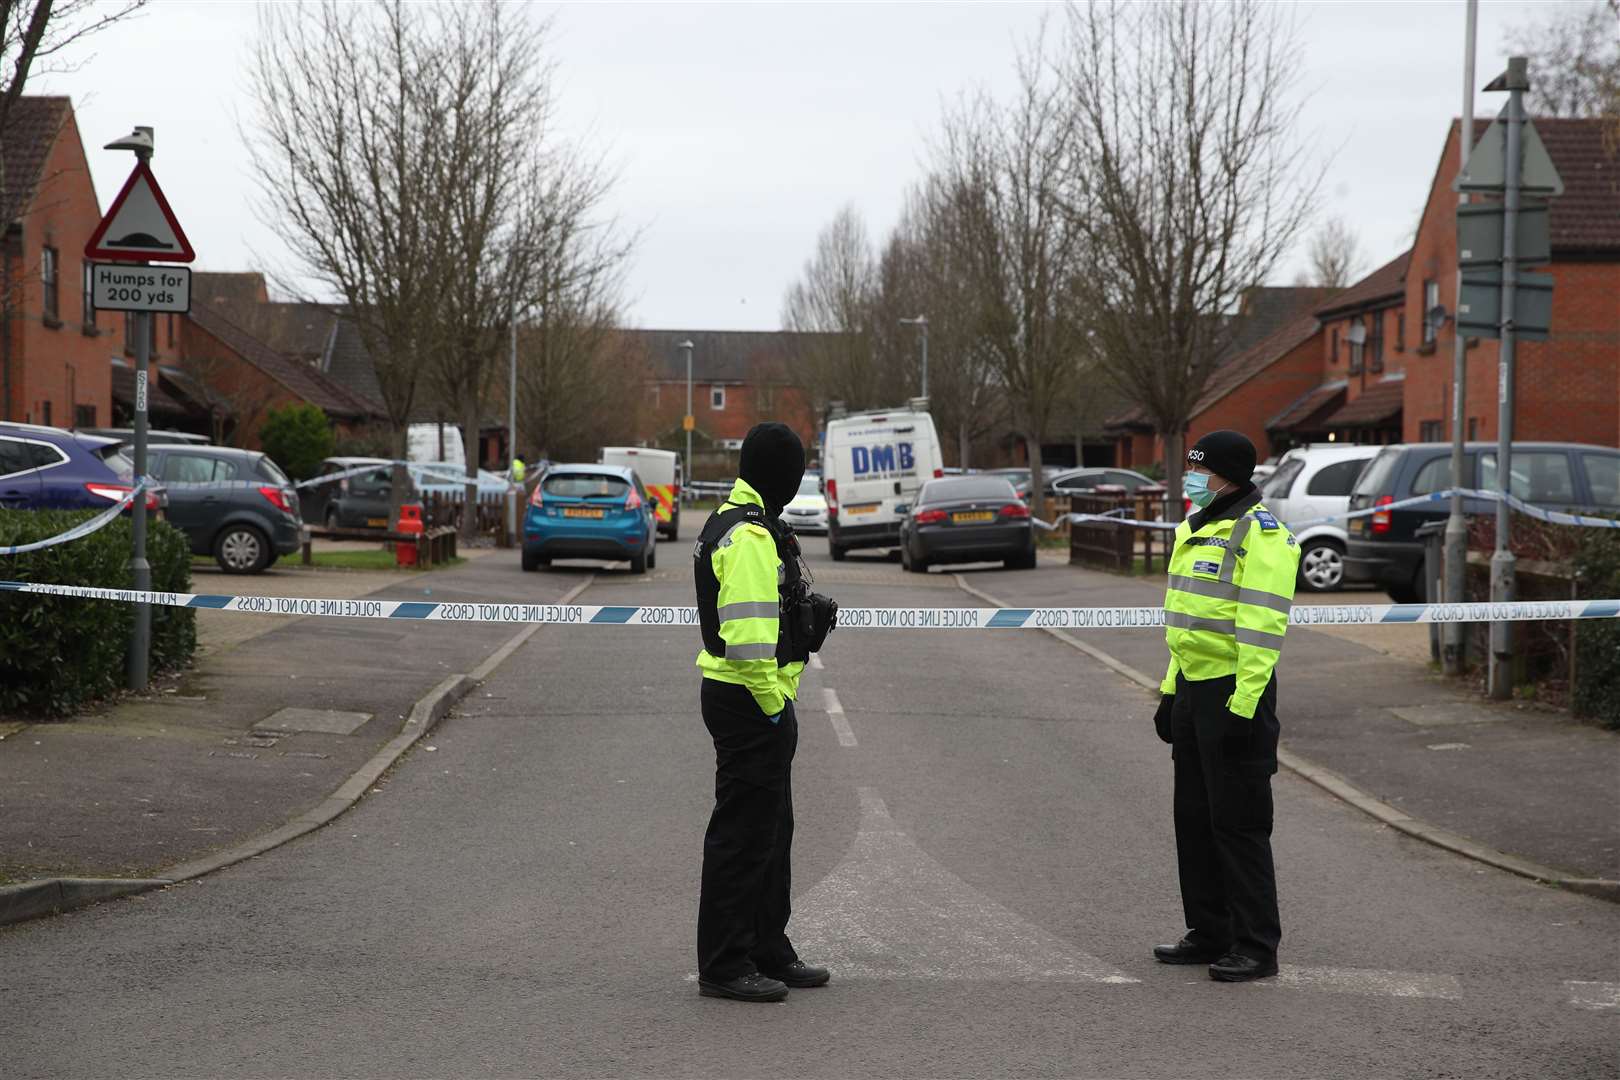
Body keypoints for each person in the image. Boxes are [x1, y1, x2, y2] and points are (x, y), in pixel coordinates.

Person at [693, 422, 835, 1003]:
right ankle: (725, 964)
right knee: (743, 838)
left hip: (756, 699)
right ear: (782, 474)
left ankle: (768, 948)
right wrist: (776, 707)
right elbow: (750, 643)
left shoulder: (753, 523)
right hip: (750, 701)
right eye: (796, 470)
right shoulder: (748, 537)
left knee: (772, 833)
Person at [1151, 430, 1300, 983]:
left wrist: (1243, 708)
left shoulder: (1260, 535)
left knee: (1239, 823)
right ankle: (1209, 930)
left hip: (1237, 691)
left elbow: (1262, 630)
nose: (1192, 480)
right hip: (1194, 687)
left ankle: (1257, 945)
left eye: (1200, 471)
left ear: (1228, 477)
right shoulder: (1195, 529)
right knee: (1193, 819)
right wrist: (1171, 690)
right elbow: (1185, 627)